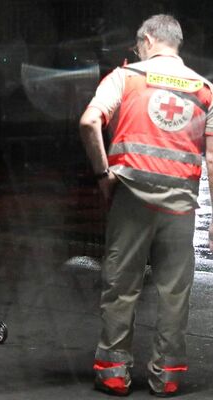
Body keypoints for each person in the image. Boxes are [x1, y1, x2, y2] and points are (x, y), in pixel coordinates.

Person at [79, 14, 213, 397]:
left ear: (148, 40)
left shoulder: (126, 77)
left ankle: (114, 373)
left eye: (138, 46)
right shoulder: (205, 90)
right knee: (175, 293)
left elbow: (89, 123)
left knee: (122, 287)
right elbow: (212, 158)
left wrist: (103, 175)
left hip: (132, 198)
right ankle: (167, 377)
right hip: (180, 208)